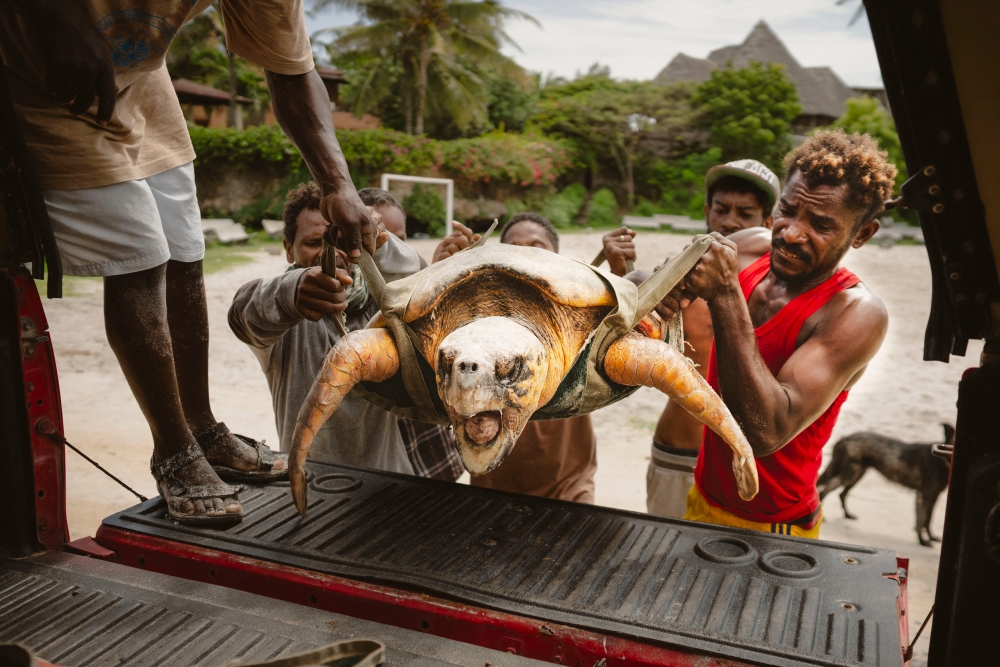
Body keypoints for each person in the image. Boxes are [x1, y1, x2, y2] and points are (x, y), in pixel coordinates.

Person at [1, 0, 381, 524]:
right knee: (139, 253)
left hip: (140, 74)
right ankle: (174, 450)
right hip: (39, 58)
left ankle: (201, 426)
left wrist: (337, 183)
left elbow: (291, 71)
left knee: (184, 244)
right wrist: (57, 17)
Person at [657, 130, 894, 538]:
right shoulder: (748, 247)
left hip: (775, 527)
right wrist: (661, 288)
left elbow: (766, 431)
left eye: (820, 224)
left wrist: (727, 292)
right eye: (788, 209)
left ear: (861, 234)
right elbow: (660, 283)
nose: (791, 233)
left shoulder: (856, 314)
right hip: (703, 496)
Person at [433, 212, 636, 503]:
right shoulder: (474, 323)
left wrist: (619, 274)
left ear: (558, 260)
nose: (524, 253)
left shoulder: (578, 314)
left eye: (537, 247)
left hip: (570, 486)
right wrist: (441, 273)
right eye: (513, 247)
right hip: (490, 484)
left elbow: (626, 328)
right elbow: (433, 360)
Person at [228, 183, 421, 474]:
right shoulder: (282, 317)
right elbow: (242, 311)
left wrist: (381, 241)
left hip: (392, 484)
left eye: (339, 240)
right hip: (312, 489)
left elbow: (420, 280)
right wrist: (293, 292)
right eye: (313, 242)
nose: (328, 252)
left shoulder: (383, 303)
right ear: (288, 248)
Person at [645, 159, 780, 518]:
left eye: (745, 213)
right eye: (721, 210)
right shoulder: (680, 277)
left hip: (743, 464)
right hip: (680, 448)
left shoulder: (776, 292)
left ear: (768, 223)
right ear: (707, 211)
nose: (730, 221)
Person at [356, 187, 464, 482]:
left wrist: (443, 273)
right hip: (382, 469)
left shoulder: (417, 290)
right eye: (379, 239)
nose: (389, 248)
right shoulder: (349, 301)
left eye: (399, 239)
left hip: (432, 458)